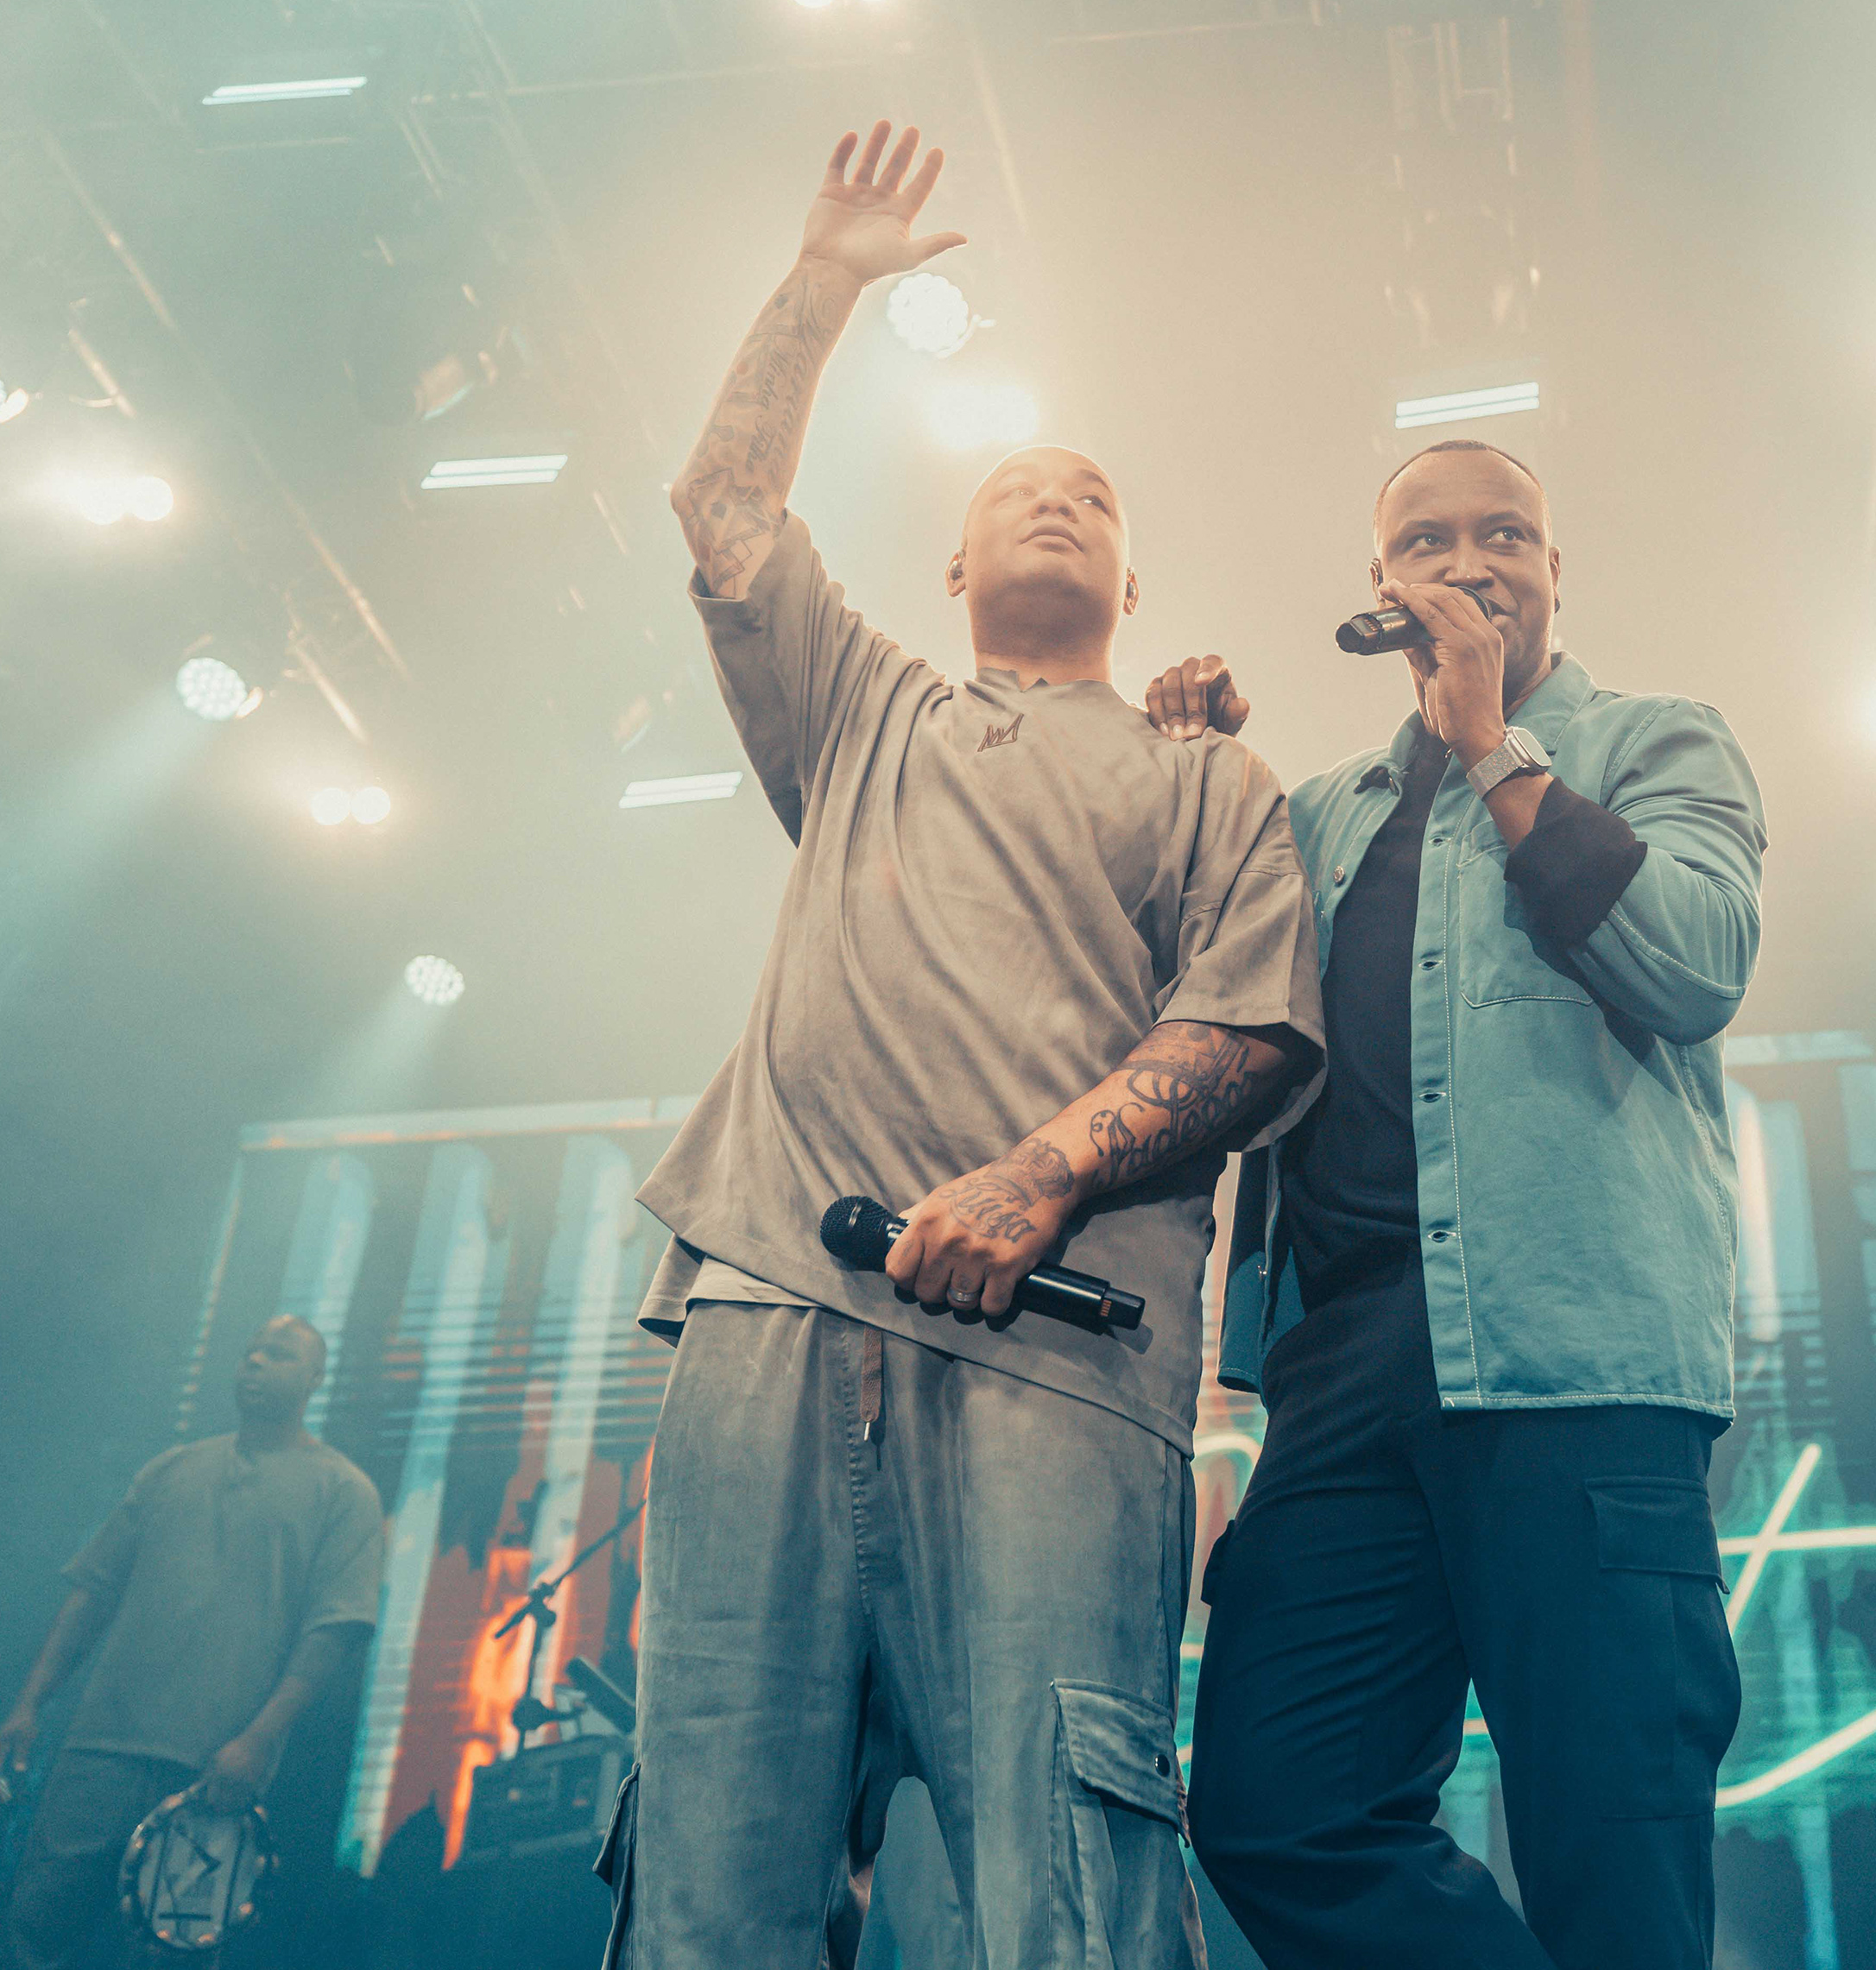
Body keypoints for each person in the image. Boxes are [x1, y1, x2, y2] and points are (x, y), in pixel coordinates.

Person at [611, 122, 1322, 1970]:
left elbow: (1250, 1032)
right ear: (951, 560)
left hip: (1057, 1360)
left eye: (1094, 495)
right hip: (770, 1312)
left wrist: (1035, 1177)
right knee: (706, 1879)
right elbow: (723, 504)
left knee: (1068, 1896)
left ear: (1136, 587)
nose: (1057, 500)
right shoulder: (862, 707)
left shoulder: (1208, 774)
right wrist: (824, 279)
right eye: (1019, 487)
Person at [1145, 437, 1767, 1970]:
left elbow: (1695, 964)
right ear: (1382, 586)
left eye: (1506, 534)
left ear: (1557, 573)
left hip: (1577, 1363)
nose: (1469, 561)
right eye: (1428, 540)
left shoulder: (1656, 740)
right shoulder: (1315, 815)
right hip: (1345, 1372)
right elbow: (1184, 1008)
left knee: (1614, 1866)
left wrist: (1494, 745)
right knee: (1276, 1810)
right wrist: (1189, 785)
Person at [0, 1318, 382, 1970]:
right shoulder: (171, 1469)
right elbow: (93, 1592)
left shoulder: (344, 1491)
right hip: (100, 1751)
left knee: (171, 1959)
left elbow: (332, 1631)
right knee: (27, 1940)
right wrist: (29, 1703)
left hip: (212, 1772)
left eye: (278, 1355)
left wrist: (258, 1740)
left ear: (315, 1378)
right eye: (251, 1351)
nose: (255, 1362)